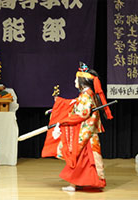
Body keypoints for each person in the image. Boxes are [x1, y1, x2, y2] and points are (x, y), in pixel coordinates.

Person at [41, 62, 113, 192]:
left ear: (83, 82)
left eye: (76, 79)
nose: (75, 81)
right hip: (89, 133)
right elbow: (75, 105)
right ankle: (83, 182)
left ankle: (73, 185)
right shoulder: (88, 94)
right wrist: (60, 103)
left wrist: (64, 121)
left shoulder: (86, 95)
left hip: (85, 133)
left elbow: (82, 114)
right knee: (86, 160)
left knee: (78, 158)